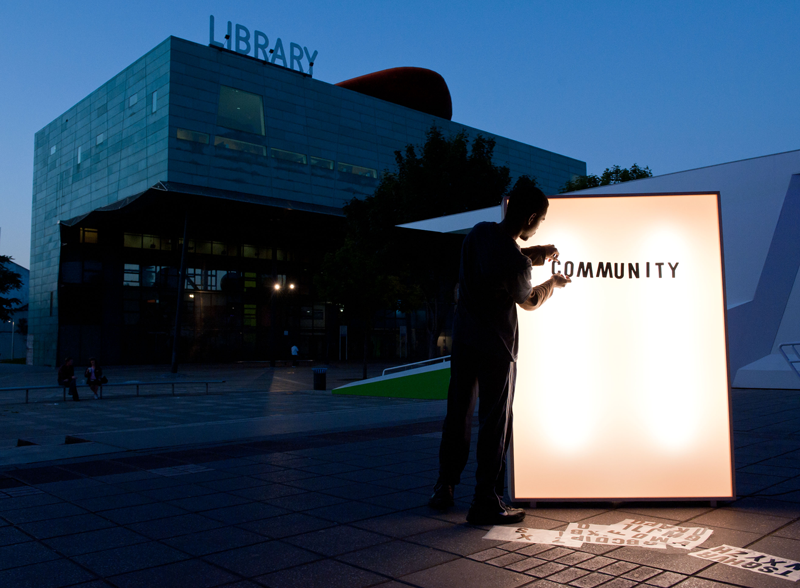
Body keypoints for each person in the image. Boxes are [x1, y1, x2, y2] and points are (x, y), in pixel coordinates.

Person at [429, 177, 571, 525]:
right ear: (531, 217)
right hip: (497, 348)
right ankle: (484, 501)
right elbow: (528, 299)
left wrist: (533, 255)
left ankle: (444, 487)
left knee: (458, 415)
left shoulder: (478, 234)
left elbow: (500, 259)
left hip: (464, 342)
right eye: (540, 222)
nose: (538, 228)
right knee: (495, 424)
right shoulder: (517, 262)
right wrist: (552, 283)